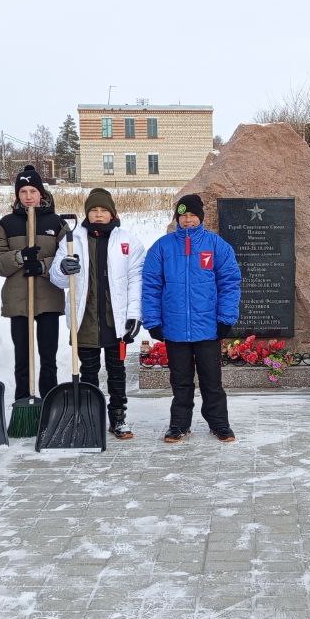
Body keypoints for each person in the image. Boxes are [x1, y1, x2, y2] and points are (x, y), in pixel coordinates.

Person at [141, 195, 242, 444]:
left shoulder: (216, 246)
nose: (187, 220)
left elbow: (230, 283)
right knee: (181, 382)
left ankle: (219, 423)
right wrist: (153, 320)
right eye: (183, 216)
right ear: (177, 218)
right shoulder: (162, 247)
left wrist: (226, 317)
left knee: (212, 381)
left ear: (200, 217)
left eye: (192, 215)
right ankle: (179, 424)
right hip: (175, 330)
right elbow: (151, 285)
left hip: (207, 328)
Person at [50, 188, 145, 440]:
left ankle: (118, 418)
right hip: (85, 319)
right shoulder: (72, 239)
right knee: (89, 372)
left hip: (116, 320)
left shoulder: (127, 240)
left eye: (104, 210)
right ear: (87, 213)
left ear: (112, 213)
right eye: (94, 210)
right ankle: (91, 419)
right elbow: (57, 278)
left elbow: (137, 279)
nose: (99, 215)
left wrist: (134, 314)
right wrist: (62, 268)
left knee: (117, 371)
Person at [0, 164, 68, 406]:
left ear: (41, 194)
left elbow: (68, 258)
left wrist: (43, 266)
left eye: (33, 191)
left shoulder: (56, 223)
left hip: (48, 299)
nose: (28, 197)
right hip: (18, 300)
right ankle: (23, 401)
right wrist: (20, 257)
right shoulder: (7, 223)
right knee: (22, 358)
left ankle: (49, 402)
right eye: (23, 192)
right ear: (17, 195)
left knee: (48, 357)